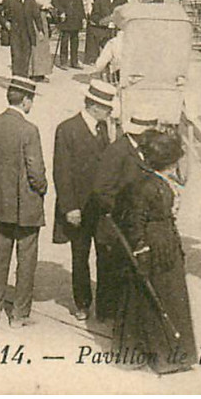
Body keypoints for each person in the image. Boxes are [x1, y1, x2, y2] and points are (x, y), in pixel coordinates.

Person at [113, 130, 197, 374]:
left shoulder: (156, 181)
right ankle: (162, 355)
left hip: (165, 243)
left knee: (168, 296)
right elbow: (136, 220)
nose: (175, 167)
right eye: (173, 163)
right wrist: (141, 247)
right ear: (166, 163)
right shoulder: (146, 185)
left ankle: (167, 353)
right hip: (155, 245)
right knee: (156, 298)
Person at [0, 76, 47, 326]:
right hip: (25, 206)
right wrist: (43, 189)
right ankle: (19, 315)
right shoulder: (29, 130)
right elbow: (35, 170)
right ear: (26, 101)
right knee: (26, 261)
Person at [53, 80, 117, 319]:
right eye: (106, 107)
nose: (110, 111)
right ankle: (82, 304)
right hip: (78, 208)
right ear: (93, 106)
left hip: (100, 208)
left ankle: (105, 307)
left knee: (105, 257)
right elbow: (61, 172)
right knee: (80, 258)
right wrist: (69, 207)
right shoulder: (67, 129)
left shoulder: (103, 129)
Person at [86, 112, 152, 324]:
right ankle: (106, 314)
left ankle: (120, 314)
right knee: (109, 267)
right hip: (114, 221)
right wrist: (120, 209)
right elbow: (100, 189)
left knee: (123, 268)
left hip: (129, 219)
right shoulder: (117, 151)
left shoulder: (138, 149)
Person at [0, 0, 42, 78]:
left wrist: (40, 30)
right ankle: (16, 79)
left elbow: (37, 15)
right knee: (16, 57)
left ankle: (24, 79)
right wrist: (5, 22)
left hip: (28, 33)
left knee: (26, 57)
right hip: (15, 33)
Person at [52, 0, 87, 69]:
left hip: (76, 16)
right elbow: (55, 0)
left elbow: (80, 1)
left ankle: (74, 61)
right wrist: (61, 12)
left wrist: (83, 16)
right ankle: (63, 62)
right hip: (66, 16)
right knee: (65, 39)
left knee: (75, 39)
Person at [84, 0, 118, 64]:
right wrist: (103, 22)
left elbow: (125, 13)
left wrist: (116, 22)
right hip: (103, 27)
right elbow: (95, 15)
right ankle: (93, 57)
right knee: (93, 31)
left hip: (118, 27)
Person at [29, 0, 55, 81]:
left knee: (44, 45)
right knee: (37, 44)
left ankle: (42, 72)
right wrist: (45, 6)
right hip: (36, 17)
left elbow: (46, 2)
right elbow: (37, 3)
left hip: (43, 16)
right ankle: (35, 72)